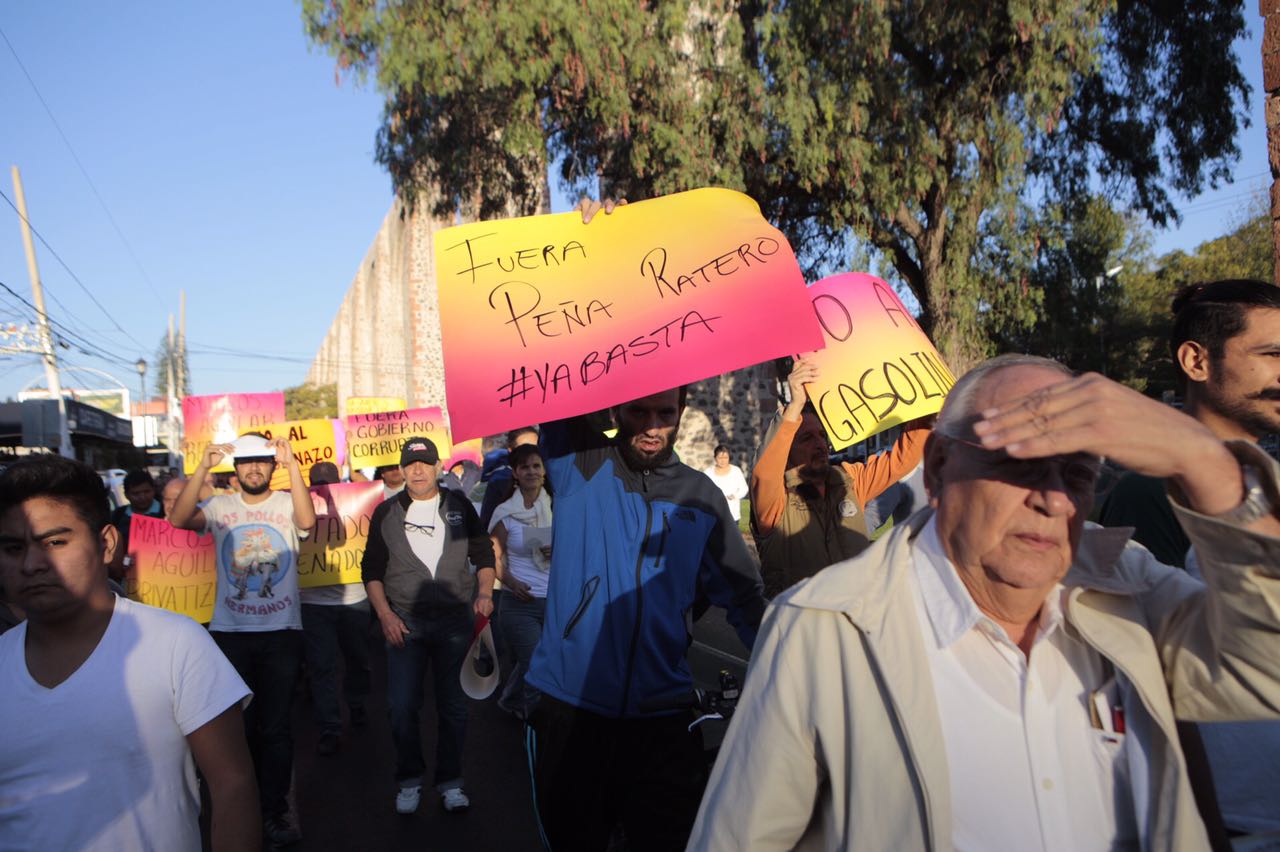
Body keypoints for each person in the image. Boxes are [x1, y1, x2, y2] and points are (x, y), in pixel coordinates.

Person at [690, 354, 1280, 851]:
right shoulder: (819, 629)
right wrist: (793, 410)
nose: (1052, 500)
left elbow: (1265, 666)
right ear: (942, 470)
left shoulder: (1132, 587)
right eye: (1018, 462)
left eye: (1077, 474)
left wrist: (1206, 463)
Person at [0, 455, 260, 850]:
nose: (32, 563)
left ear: (106, 544)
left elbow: (232, 786)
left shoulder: (177, 643)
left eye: (55, 542)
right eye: (13, 548)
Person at [1098, 279, 1280, 839]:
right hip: (1235, 823)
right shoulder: (1150, 493)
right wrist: (1205, 829)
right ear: (1196, 361)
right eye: (1273, 355)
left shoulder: (1269, 482)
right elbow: (1148, 671)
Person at [168, 432, 316, 847]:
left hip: (282, 633)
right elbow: (178, 520)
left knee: (276, 729)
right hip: (230, 635)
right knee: (239, 729)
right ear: (234, 469)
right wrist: (202, 466)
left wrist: (293, 465)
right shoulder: (219, 506)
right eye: (246, 462)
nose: (254, 468)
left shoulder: (286, 503)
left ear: (272, 466)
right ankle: (242, 808)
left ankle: (273, 811)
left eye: (262, 461)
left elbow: (307, 523)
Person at [360, 436, 496, 815]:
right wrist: (385, 615)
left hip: (454, 623)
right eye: (410, 464)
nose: (417, 470)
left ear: (438, 467)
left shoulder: (459, 506)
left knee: (454, 708)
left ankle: (451, 782)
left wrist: (485, 592)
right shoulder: (386, 513)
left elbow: (483, 553)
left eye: (425, 463)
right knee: (401, 707)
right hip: (405, 624)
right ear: (402, 470)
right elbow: (371, 570)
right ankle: (409, 780)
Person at [752, 356, 930, 596]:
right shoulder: (774, 501)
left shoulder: (850, 480)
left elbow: (903, 457)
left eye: (822, 436)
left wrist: (924, 402)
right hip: (800, 619)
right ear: (787, 449)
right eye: (807, 438)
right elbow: (765, 470)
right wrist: (794, 406)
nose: (819, 444)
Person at [300, 461, 371, 756]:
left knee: (358, 660)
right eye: (318, 482)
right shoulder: (299, 507)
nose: (323, 487)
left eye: (329, 482)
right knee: (321, 666)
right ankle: (330, 726)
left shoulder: (357, 504)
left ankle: (356, 702)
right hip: (313, 603)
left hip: (354, 599)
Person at [488, 443, 553, 720]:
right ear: (515, 473)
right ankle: (535, 724)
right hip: (519, 604)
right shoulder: (506, 513)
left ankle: (510, 699)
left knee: (538, 660)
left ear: (544, 471)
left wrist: (559, 549)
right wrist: (512, 583)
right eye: (524, 467)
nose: (531, 471)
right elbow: (492, 558)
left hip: (555, 603)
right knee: (537, 665)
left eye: (536, 466)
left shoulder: (558, 507)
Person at [107, 468, 164, 580]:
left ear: (154, 490)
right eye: (136, 493)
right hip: (129, 580)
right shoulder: (117, 516)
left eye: (146, 492)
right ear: (126, 495)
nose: (142, 497)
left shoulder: (166, 512)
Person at [702, 444, 749, 524]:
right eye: (720, 458)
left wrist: (735, 496)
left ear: (729, 457)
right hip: (713, 513)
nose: (723, 461)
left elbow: (744, 488)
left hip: (732, 514)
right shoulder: (708, 472)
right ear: (715, 458)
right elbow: (703, 489)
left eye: (725, 458)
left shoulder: (736, 471)